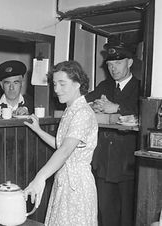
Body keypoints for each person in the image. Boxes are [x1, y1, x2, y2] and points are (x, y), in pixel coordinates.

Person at [24, 60, 98, 226]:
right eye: (55, 84)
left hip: (77, 185)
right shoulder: (70, 110)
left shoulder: (82, 113)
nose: (56, 89)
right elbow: (61, 145)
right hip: (64, 179)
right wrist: (38, 130)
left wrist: (39, 178)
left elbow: (64, 151)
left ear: (77, 83)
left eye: (62, 84)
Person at [85, 41, 140, 226]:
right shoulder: (104, 86)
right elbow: (84, 103)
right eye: (109, 64)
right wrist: (95, 106)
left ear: (129, 62)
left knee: (129, 217)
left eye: (118, 63)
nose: (113, 68)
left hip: (128, 164)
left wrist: (115, 108)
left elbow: (144, 113)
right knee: (106, 215)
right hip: (104, 163)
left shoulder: (141, 87)